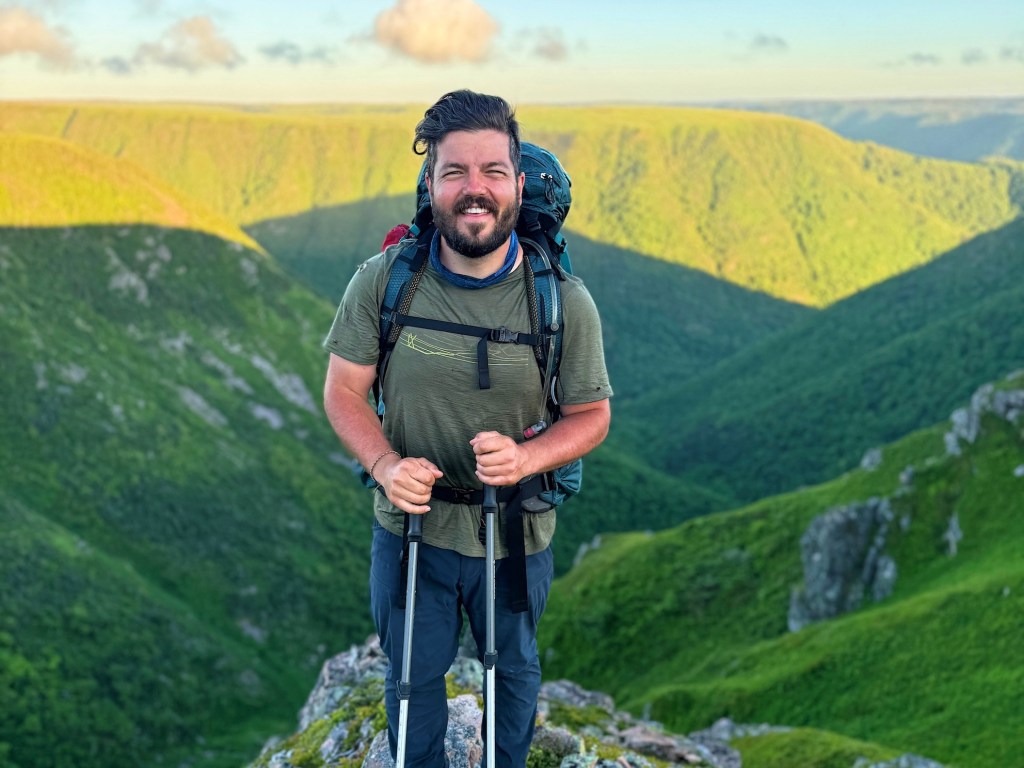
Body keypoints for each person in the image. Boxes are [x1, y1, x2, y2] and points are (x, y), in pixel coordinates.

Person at [322, 89, 612, 768]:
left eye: (492, 171)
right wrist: (386, 466)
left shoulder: (562, 301)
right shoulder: (385, 282)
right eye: (454, 171)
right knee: (411, 675)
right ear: (431, 185)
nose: (473, 188)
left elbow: (592, 415)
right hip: (410, 529)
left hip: (513, 530)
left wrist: (527, 459)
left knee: (511, 670)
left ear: (518, 184)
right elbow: (343, 390)